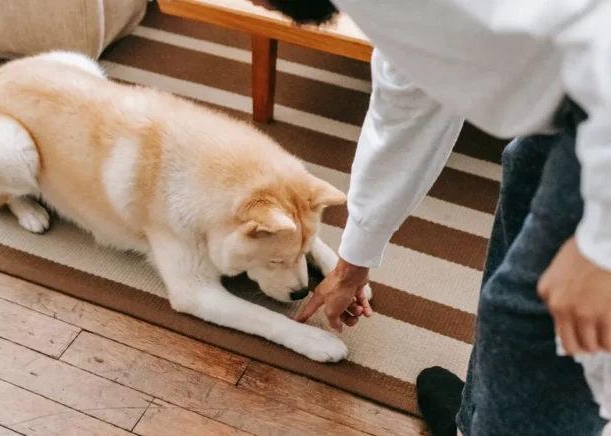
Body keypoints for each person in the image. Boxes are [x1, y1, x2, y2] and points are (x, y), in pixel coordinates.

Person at [250, 1, 611, 435]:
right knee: (524, 182)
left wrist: (599, 247)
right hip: (573, 93)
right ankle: (476, 423)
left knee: (533, 325)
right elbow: (408, 98)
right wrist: (352, 265)